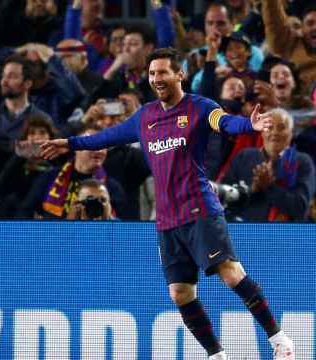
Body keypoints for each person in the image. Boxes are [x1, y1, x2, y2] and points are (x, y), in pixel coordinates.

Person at [40, 48, 295, 360]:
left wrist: (248, 125)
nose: (156, 79)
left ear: (180, 74)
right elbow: (106, 137)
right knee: (180, 293)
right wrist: (69, 143)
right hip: (167, 219)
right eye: (151, 73)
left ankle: (279, 340)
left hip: (200, 208)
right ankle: (216, 355)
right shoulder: (145, 116)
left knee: (231, 274)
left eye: (162, 72)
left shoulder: (200, 107)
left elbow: (225, 122)